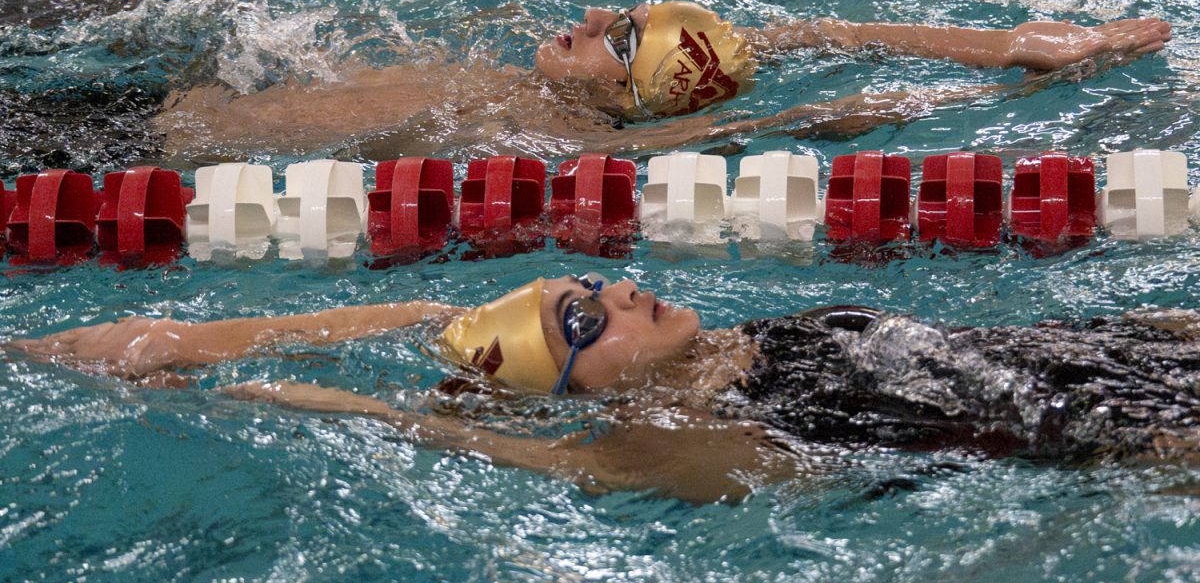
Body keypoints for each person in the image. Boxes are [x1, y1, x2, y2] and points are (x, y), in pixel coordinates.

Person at [10, 274, 1200, 503]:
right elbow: (474, 432)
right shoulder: (672, 437)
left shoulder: (737, 338)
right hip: (1141, 435)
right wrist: (281, 391)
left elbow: (442, 327)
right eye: (590, 320)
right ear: (573, 381)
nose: (625, 293)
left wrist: (203, 333)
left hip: (1113, 352)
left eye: (596, 283)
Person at [156, 1, 1172, 164]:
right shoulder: (534, 77)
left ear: (634, 97)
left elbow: (818, 110)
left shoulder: (577, 141)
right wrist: (1006, 39)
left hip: (139, 148)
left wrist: (1005, 88)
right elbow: (815, 34)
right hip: (184, 82)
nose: (594, 17)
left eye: (622, 36)